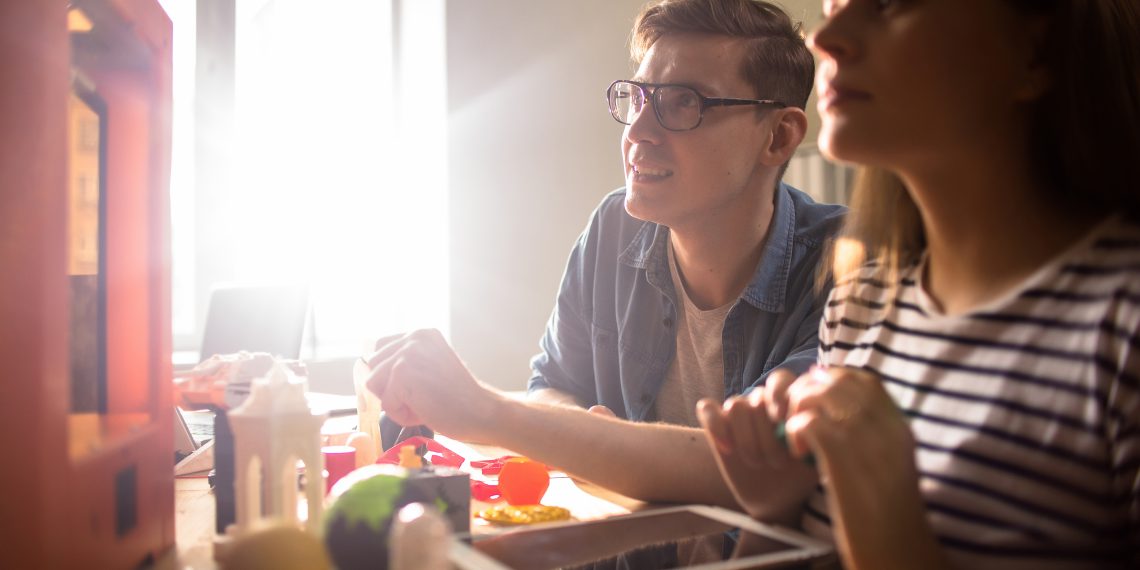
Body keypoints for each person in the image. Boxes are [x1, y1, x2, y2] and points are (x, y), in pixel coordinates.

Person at [697, 0, 1140, 567]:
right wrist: (774, 512)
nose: (826, 41)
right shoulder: (860, 305)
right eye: (834, 6)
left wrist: (889, 529)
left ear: (1033, 53)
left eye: (888, 5)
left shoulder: (1123, 326)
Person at [363, 0, 843, 510]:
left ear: (780, 136)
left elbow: (752, 465)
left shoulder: (845, 263)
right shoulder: (614, 227)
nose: (638, 132)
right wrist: (589, 437)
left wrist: (485, 409)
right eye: (637, 97)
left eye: (683, 103)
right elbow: (551, 384)